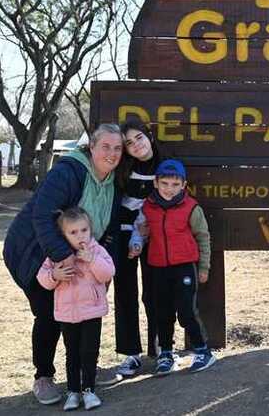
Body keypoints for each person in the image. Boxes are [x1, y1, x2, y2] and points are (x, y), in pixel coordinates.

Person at [3, 124, 123, 405]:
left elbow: (110, 227)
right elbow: (43, 216)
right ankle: (43, 376)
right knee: (49, 313)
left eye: (117, 148)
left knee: (84, 313)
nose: (112, 153)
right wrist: (61, 256)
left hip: (82, 257)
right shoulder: (68, 172)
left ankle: (85, 371)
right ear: (91, 147)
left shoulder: (113, 182)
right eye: (105, 146)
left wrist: (100, 264)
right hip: (35, 251)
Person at [129, 158, 216, 375]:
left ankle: (203, 351)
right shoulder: (148, 206)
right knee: (162, 313)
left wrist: (204, 267)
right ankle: (166, 353)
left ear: (183, 185)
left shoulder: (191, 207)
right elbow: (140, 230)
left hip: (185, 267)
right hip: (158, 267)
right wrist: (137, 242)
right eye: (165, 184)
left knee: (187, 311)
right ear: (156, 183)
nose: (170, 189)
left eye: (175, 185)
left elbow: (203, 237)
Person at [37, 208, 115, 411]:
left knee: (89, 352)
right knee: (72, 353)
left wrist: (92, 260)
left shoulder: (96, 250)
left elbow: (108, 273)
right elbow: (43, 279)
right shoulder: (56, 255)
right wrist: (55, 275)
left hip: (92, 311)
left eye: (84, 230)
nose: (80, 235)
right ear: (63, 235)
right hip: (67, 314)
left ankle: (89, 390)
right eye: (73, 232)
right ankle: (73, 391)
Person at [111, 119, 161, 378]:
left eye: (139, 138)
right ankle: (131, 354)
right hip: (122, 236)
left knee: (154, 292)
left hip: (153, 235)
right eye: (129, 143)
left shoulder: (165, 164)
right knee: (125, 293)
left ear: (149, 136)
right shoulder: (123, 168)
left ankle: (161, 348)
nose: (136, 145)